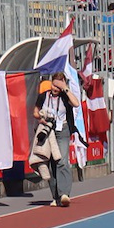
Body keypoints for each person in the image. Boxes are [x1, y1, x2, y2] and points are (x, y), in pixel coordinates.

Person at [32, 76, 79, 206]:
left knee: (61, 160)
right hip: (48, 130)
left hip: (62, 130)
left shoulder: (64, 97)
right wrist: (41, 118)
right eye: (54, 85)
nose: (56, 89)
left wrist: (65, 88)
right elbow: (35, 112)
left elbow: (76, 104)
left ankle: (64, 194)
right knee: (50, 163)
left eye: (58, 86)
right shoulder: (44, 96)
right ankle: (56, 196)